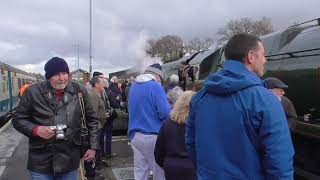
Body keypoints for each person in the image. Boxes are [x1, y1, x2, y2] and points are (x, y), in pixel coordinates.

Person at [185, 34, 294, 180]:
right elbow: (279, 161)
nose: (265, 60)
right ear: (250, 56)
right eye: (263, 55)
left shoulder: (199, 98)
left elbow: (191, 144)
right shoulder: (267, 101)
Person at [12, 57, 99, 179]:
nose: (62, 78)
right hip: (41, 161)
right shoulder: (33, 92)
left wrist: (93, 147)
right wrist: (36, 130)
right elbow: (17, 119)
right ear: (48, 77)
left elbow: (92, 120)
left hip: (70, 158)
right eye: (56, 74)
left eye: (64, 73)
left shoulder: (79, 91)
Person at [128, 63, 171, 180]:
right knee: (159, 172)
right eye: (160, 79)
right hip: (152, 136)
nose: (160, 81)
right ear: (157, 75)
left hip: (135, 136)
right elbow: (165, 112)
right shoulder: (156, 87)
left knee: (140, 172)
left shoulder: (133, 86)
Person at [155, 91, 196, 180]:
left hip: (171, 168)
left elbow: (158, 151)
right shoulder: (199, 124)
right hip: (193, 168)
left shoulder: (167, 123)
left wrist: (165, 164)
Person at [85, 76, 109, 180]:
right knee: (93, 149)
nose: (104, 84)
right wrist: (103, 116)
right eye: (102, 83)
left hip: (98, 125)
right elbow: (92, 114)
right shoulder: (93, 95)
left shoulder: (94, 93)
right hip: (96, 126)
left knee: (96, 148)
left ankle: (93, 172)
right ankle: (91, 175)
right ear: (96, 84)